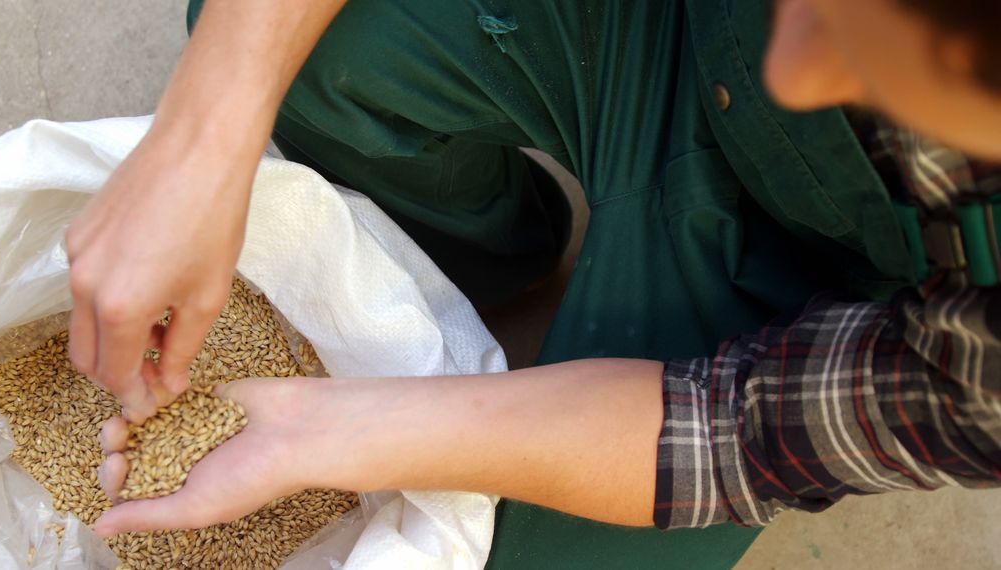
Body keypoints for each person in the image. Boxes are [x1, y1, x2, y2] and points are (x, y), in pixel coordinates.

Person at [64, 0, 1001, 567]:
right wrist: (203, 132)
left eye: (871, 52)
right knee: (307, 57)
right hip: (663, 26)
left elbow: (738, 433)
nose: (792, 70)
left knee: (498, 557)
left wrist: (322, 429)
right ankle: (488, 252)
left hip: (834, 281)